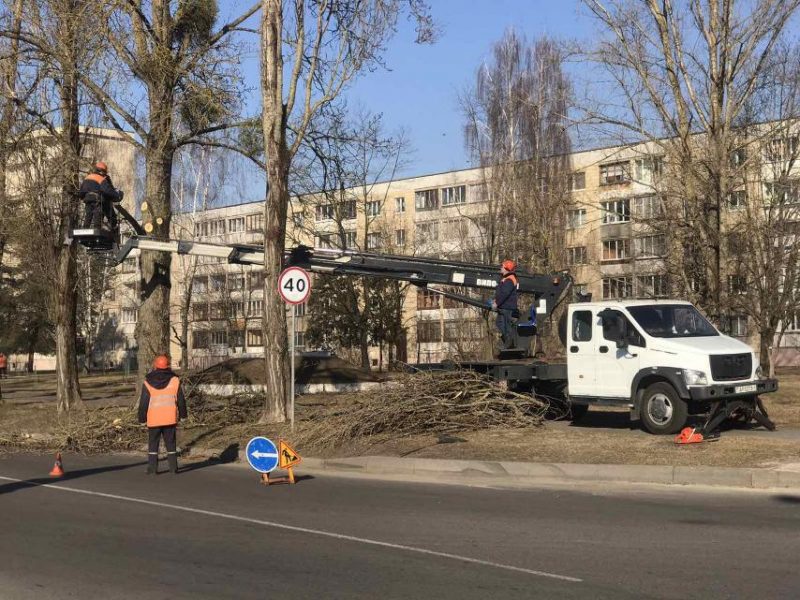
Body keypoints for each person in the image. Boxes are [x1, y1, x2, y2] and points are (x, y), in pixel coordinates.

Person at [137, 355, 187, 475]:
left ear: (155, 365)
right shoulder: (175, 381)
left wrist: (142, 419)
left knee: (153, 444)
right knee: (171, 443)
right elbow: (181, 400)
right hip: (169, 418)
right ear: (167, 366)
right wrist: (183, 415)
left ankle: (152, 469)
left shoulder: (148, 382)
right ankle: (173, 468)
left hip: (154, 419)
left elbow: (143, 403)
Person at [79, 161, 124, 230]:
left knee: (88, 216)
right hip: (97, 200)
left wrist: (82, 197)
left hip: (88, 200)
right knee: (97, 217)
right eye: (105, 172)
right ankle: (97, 230)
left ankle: (85, 230)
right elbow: (107, 190)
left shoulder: (87, 177)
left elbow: (81, 192)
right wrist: (117, 195)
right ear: (102, 171)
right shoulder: (100, 178)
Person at [492, 259, 519, 349]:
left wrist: (497, 303)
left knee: (505, 325)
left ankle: (509, 343)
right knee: (500, 323)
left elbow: (505, 293)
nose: (501, 268)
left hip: (507, 307)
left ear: (506, 269)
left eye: (502, 267)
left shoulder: (509, 279)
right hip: (505, 306)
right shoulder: (506, 278)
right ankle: (507, 342)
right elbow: (502, 293)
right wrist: (496, 301)